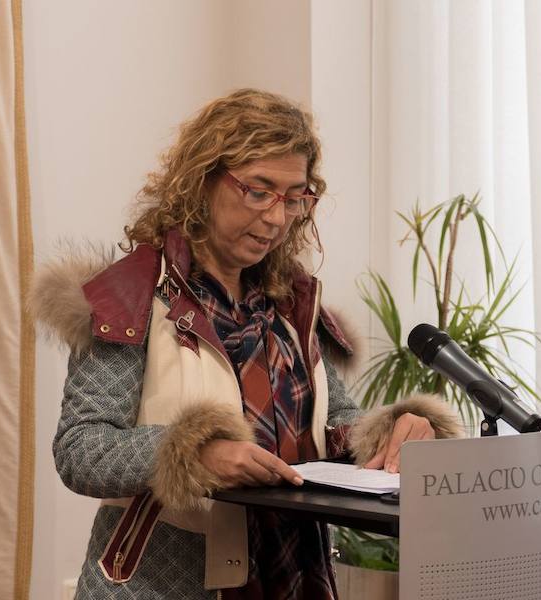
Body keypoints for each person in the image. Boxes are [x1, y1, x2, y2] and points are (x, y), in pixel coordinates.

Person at [31, 88, 464, 599]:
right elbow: (81, 450)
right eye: (258, 191)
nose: (278, 218)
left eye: (295, 197)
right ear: (203, 181)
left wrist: (392, 433)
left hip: (293, 576)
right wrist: (195, 455)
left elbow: (332, 429)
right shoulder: (131, 298)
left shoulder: (291, 303)